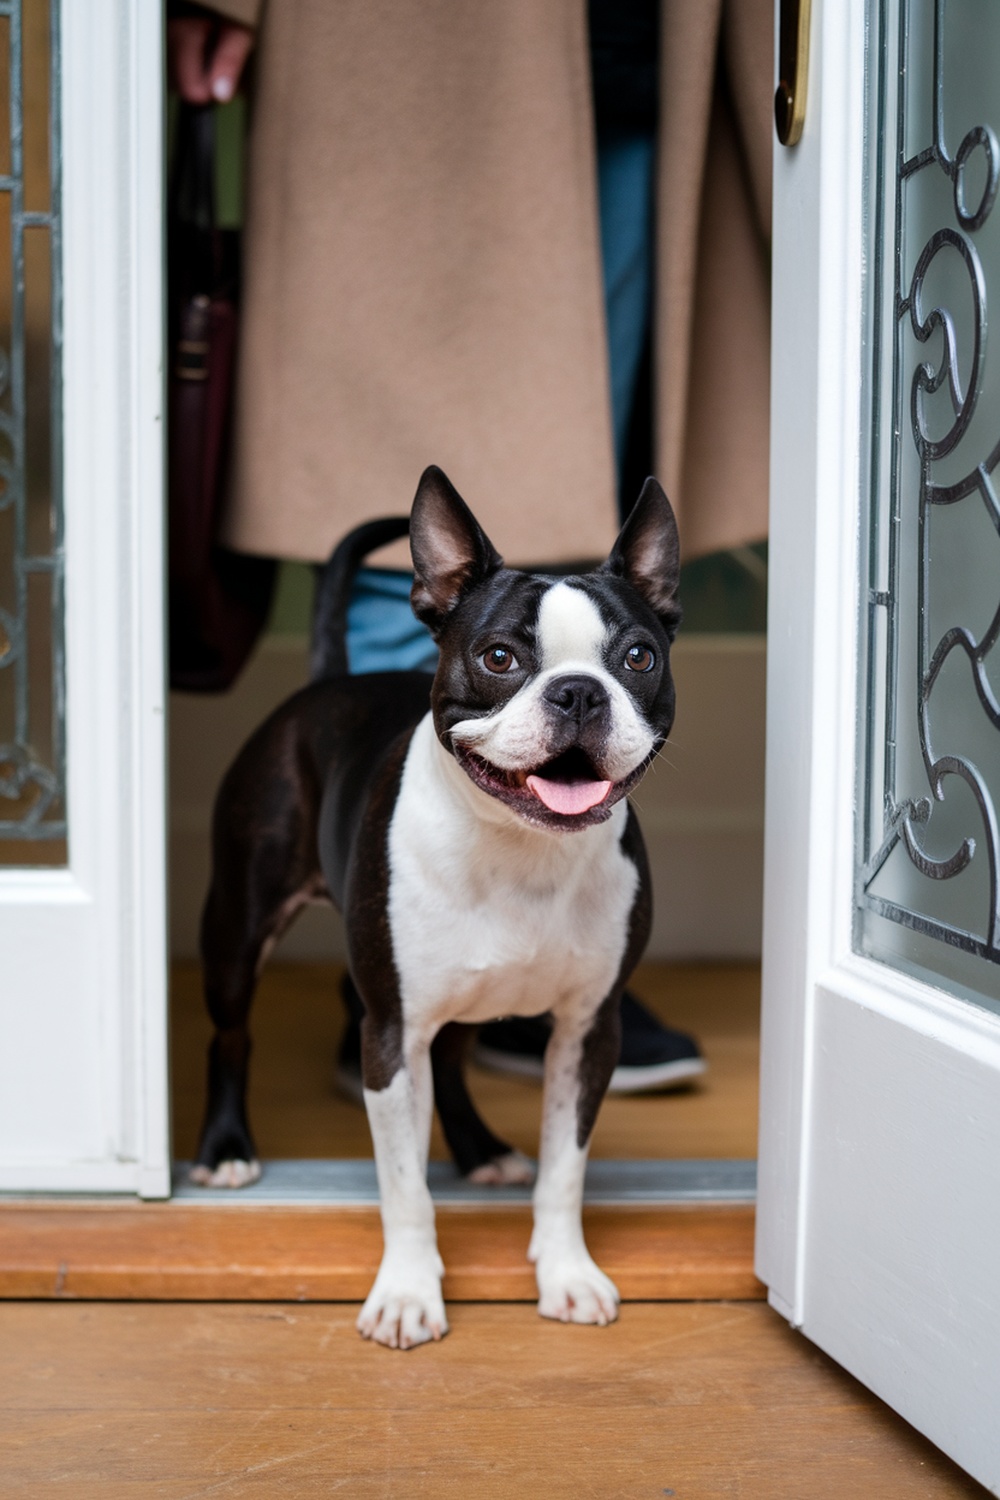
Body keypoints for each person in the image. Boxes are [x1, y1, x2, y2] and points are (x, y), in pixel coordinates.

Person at [168, 0, 772, 1092]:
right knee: (407, 469)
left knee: (582, 469)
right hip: (420, 52)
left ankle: (542, 956)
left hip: (637, 63)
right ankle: (398, 947)